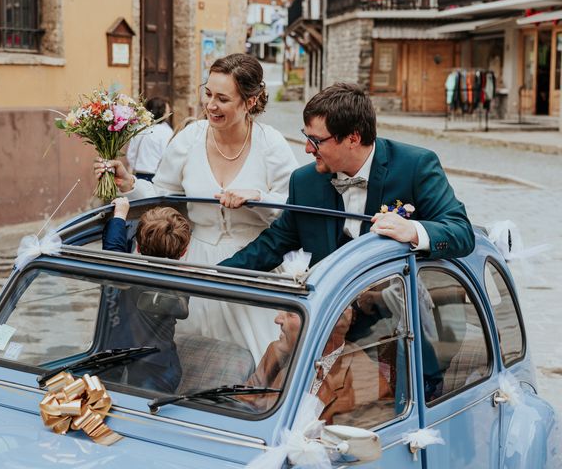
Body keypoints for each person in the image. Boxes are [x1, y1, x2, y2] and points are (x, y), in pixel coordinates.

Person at [94, 53, 299, 363]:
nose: (211, 105)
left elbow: (293, 210)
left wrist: (257, 197)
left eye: (223, 98)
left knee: (260, 362)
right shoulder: (190, 138)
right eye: (208, 94)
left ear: (250, 102)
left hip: (254, 267)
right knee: (196, 360)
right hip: (196, 266)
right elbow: (163, 194)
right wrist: (130, 183)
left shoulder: (272, 145)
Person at [220, 82, 475, 271]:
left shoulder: (416, 166)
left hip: (398, 322)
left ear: (353, 138)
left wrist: (413, 230)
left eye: (316, 141)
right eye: (306, 137)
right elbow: (271, 245)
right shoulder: (304, 181)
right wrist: (211, 275)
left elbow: (461, 232)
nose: (307, 149)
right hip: (328, 319)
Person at [101, 198, 191, 393]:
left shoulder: (130, 275)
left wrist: (120, 215)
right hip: (161, 366)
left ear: (139, 248)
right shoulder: (184, 280)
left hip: (119, 357)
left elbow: (112, 255)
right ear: (183, 251)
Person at [244, 307, 391, 425]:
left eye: (291, 314)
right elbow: (244, 401)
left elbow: (349, 447)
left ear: (323, 330)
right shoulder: (276, 351)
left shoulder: (365, 382)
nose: (277, 319)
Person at [126, 97, 173, 182]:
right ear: (161, 112)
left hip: (138, 176)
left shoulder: (138, 128)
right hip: (157, 177)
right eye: (167, 111)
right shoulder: (166, 131)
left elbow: (131, 155)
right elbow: (168, 156)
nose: (169, 113)